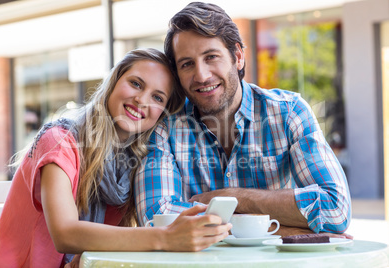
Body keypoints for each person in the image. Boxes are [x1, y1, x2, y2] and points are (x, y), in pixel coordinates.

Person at [0, 48, 232, 268]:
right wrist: (166, 236)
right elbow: (65, 234)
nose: (141, 100)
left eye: (158, 98)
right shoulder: (60, 139)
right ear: (113, 82)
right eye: (136, 84)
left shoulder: (133, 163)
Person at [134, 2, 352, 237]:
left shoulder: (289, 112)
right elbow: (157, 219)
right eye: (187, 64)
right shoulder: (164, 127)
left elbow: (335, 210)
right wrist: (282, 229)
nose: (201, 75)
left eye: (211, 57)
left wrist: (233, 198)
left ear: (237, 57)